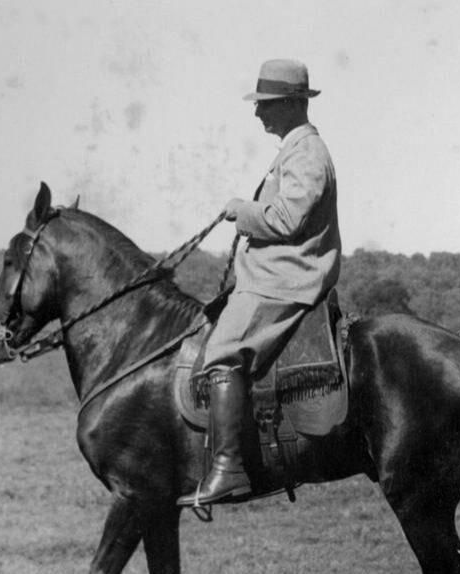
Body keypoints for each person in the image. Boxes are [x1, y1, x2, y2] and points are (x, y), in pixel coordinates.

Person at [177, 59, 341, 506]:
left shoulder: (306, 152)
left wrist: (241, 210)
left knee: (222, 352)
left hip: (287, 281)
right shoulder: (291, 151)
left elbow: (287, 219)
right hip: (272, 276)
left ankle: (229, 469)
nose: (257, 113)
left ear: (291, 104)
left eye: (266, 104)